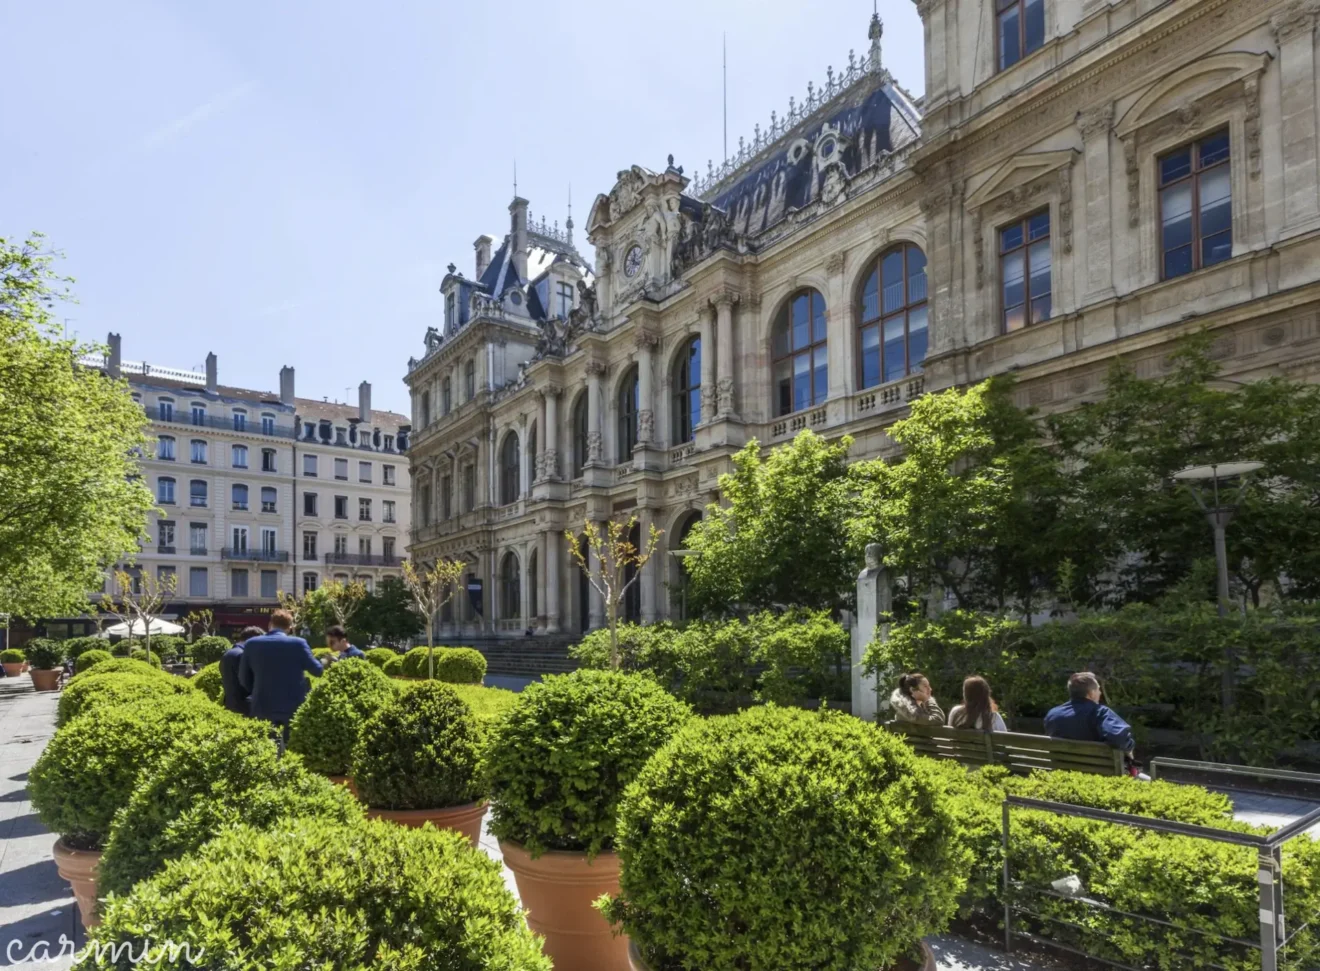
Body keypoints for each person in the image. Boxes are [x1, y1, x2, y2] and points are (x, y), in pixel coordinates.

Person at [238, 609, 324, 750]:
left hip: (262, 703)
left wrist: (255, 690)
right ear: (290, 628)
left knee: (266, 750)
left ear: (270, 624)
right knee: (292, 749)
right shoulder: (299, 643)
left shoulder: (252, 644)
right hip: (293, 704)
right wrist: (323, 661)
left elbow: (243, 677)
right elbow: (317, 671)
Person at [1044, 672, 1135, 755]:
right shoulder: (1100, 712)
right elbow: (1119, 738)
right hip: (1096, 771)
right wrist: (1130, 747)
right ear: (1091, 693)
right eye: (1098, 689)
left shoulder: (1052, 714)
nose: (1100, 693)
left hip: (1061, 769)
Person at [219, 626, 266, 716]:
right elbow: (249, 684)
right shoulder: (242, 655)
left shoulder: (228, 653)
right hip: (244, 708)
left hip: (230, 705)